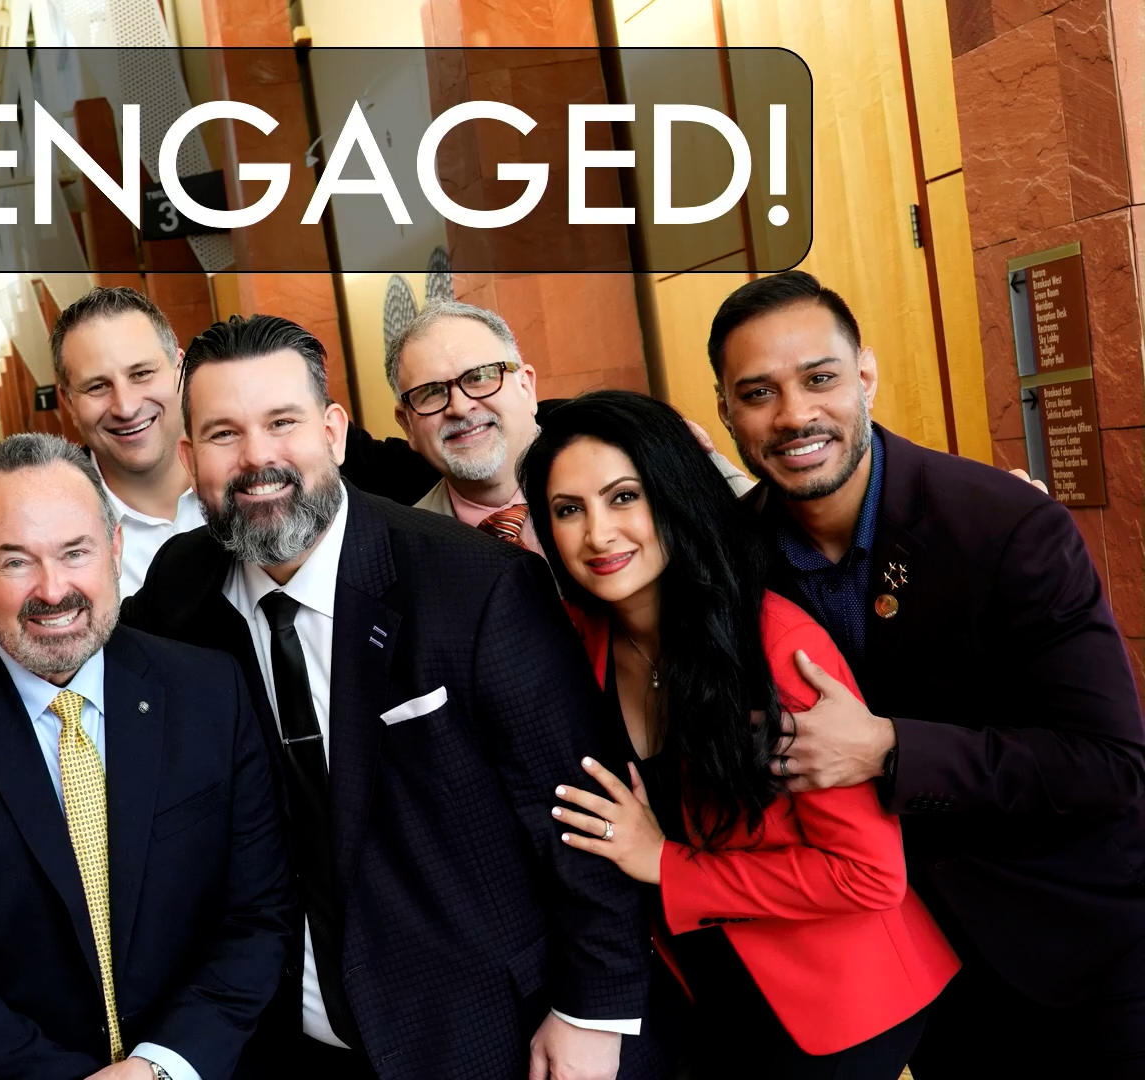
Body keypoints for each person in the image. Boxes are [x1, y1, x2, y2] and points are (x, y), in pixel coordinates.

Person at [124, 315, 652, 1080]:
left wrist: (592, 1012)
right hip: (292, 1042)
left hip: (494, 1033)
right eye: (223, 435)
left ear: (335, 433)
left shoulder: (475, 586)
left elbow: (577, 809)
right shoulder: (177, 592)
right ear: (187, 456)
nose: (258, 459)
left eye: (283, 423)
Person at [707, 271, 1145, 1075]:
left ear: (865, 375)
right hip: (913, 973)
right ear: (726, 410)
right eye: (758, 392)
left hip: (1072, 953)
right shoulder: (730, 565)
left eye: (820, 378)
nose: (796, 413)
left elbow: (1110, 766)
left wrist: (888, 750)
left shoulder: (1006, 525)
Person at [521, 390, 959, 1078]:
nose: (599, 534)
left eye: (624, 497)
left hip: (842, 1003)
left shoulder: (777, 647)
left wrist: (665, 863)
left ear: (673, 494)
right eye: (568, 511)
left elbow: (869, 875)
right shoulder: (585, 643)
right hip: (715, 996)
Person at [0, 433, 294, 1080]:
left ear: (113, 550)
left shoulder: (210, 694)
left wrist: (160, 1067)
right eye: (16, 561)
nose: (54, 590)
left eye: (75, 551)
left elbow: (258, 916)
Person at [383, 300, 752, 551]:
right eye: (430, 393)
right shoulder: (404, 549)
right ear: (407, 425)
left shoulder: (644, 452)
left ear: (526, 386)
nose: (461, 407)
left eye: (480, 376)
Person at [51, 286, 206, 596]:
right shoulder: (53, 531)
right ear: (68, 402)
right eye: (97, 386)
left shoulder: (250, 478)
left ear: (181, 369)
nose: (126, 406)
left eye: (142, 374)